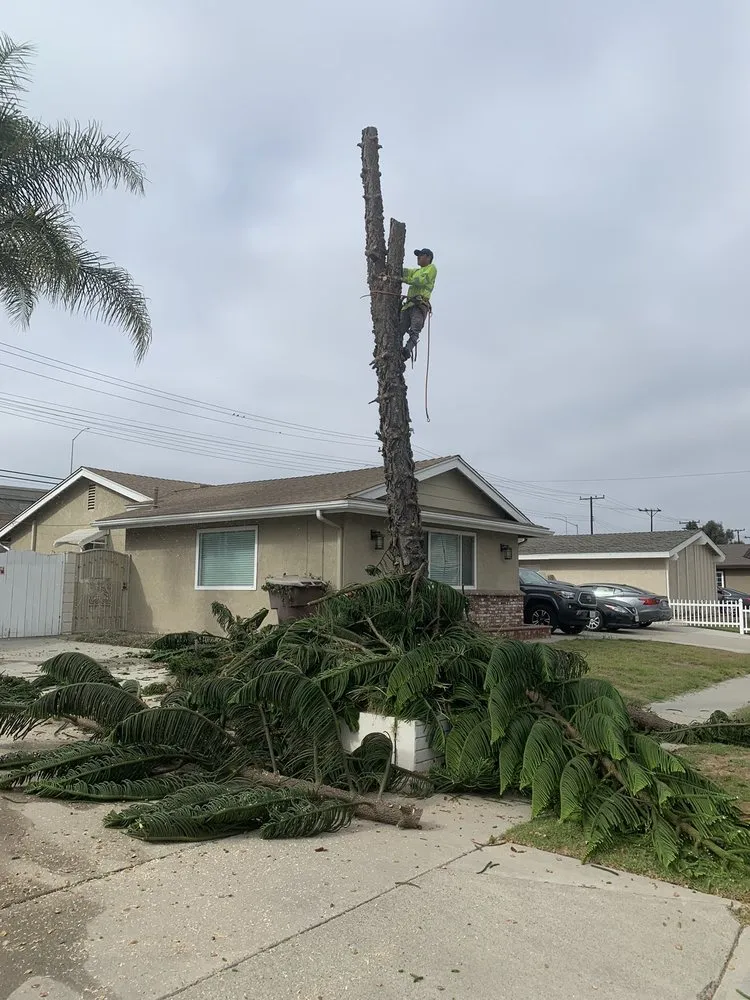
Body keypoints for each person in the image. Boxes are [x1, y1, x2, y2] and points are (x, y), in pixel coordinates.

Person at [400, 248, 436, 360]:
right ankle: (396, 348)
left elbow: (419, 280)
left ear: (428, 257)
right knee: (399, 329)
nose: (418, 257)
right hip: (409, 306)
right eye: (418, 255)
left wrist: (402, 279)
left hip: (419, 305)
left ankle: (407, 350)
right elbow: (406, 271)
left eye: (421, 255)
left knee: (415, 329)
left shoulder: (431, 269)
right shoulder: (416, 271)